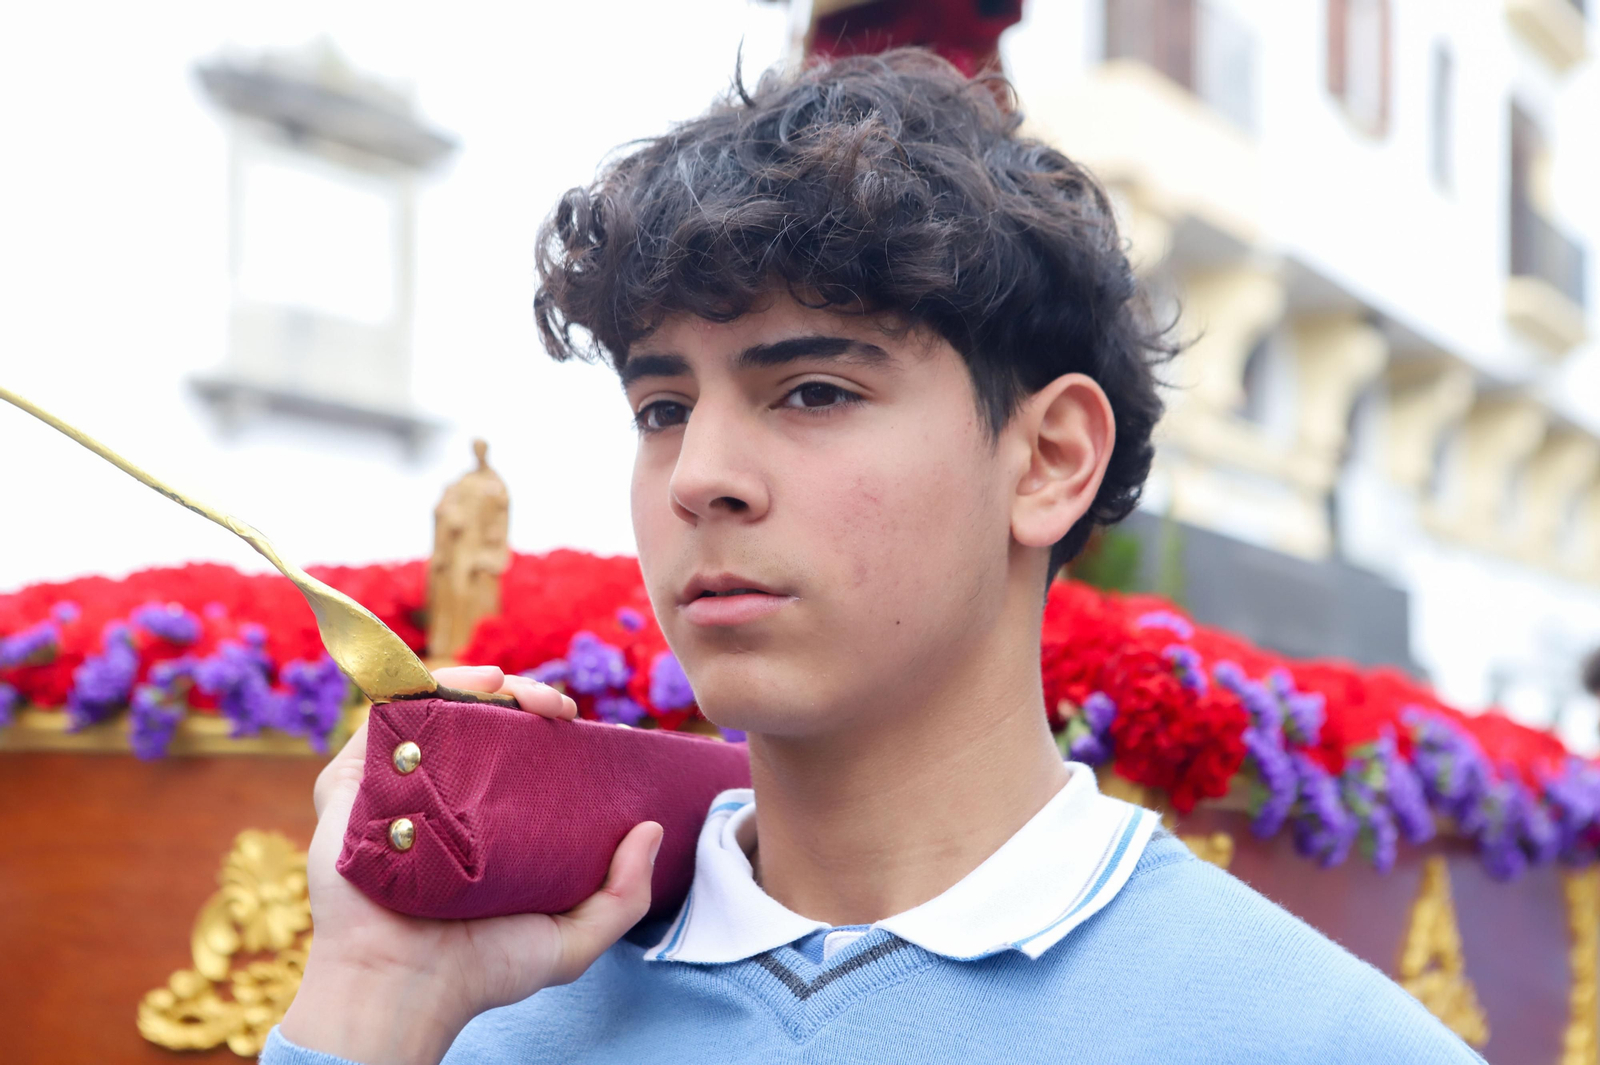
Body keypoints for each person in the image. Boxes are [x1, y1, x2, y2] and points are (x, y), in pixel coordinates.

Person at [265, 50, 1483, 1064]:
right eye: (660, 408)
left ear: (1049, 458)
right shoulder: (473, 1018)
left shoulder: (1319, 1040)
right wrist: (374, 1000)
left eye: (809, 390)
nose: (698, 476)